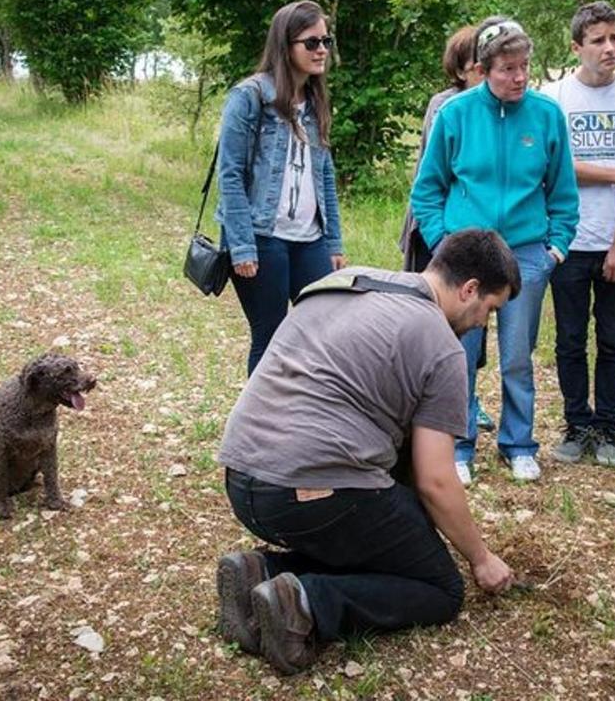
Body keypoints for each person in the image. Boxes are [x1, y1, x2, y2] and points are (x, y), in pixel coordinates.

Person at [215, 229, 519, 675]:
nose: (482, 324)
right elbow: (435, 481)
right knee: (439, 586)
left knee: (382, 532)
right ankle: (306, 604)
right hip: (310, 492)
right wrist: (481, 558)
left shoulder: (348, 280)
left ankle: (260, 571)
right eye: (488, 310)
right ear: (469, 289)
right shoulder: (442, 347)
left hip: (242, 479)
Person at [410, 16, 580, 485]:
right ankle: (459, 445)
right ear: (484, 69)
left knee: (518, 356)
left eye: (524, 66)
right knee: (458, 355)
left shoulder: (546, 115)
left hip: (526, 252)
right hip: (465, 255)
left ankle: (519, 443)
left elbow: (563, 193)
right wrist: (443, 243)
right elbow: (427, 189)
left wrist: (556, 249)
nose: (519, 77)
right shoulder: (456, 114)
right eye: (508, 68)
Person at [540, 1, 615, 467]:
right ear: (576, 47)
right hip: (567, 239)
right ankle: (575, 424)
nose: (610, 48)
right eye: (599, 40)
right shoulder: (554, 99)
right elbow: (552, 171)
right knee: (569, 339)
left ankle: (607, 429)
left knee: (613, 339)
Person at [215, 0, 347, 375]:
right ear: (285, 45)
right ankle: (259, 429)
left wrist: (333, 240)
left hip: (309, 238)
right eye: (311, 42)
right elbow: (231, 174)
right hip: (261, 236)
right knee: (270, 335)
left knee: (320, 331)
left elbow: (324, 175)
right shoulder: (250, 97)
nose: (322, 49)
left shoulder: (316, 101)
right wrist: (241, 246)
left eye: (326, 40)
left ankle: (300, 419)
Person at [399, 26, 496, 434]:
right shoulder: (446, 106)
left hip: (481, 238)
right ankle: (436, 403)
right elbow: (432, 176)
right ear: (461, 68)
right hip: (437, 232)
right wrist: (437, 234)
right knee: (440, 320)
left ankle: (468, 400)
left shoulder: (500, 107)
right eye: (474, 63)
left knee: (476, 320)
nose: (480, 69)